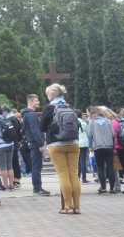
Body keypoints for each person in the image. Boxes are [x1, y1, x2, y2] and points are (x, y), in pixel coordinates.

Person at [39, 83, 80, 214]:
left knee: (63, 175)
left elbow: (42, 127)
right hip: (73, 143)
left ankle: (68, 206)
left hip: (56, 144)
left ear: (51, 95)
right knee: (73, 174)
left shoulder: (49, 108)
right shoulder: (69, 106)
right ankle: (77, 206)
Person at [21, 94, 50, 196]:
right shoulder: (31, 115)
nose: (38, 102)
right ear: (30, 102)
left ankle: (37, 187)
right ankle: (37, 188)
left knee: (36, 165)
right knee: (37, 166)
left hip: (32, 143)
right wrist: (41, 144)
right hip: (35, 144)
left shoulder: (26, 114)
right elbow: (35, 131)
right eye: (36, 100)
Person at [0, 105, 17, 193]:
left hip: (0, 145)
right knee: (10, 166)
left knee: (3, 167)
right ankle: (11, 185)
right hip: (11, 144)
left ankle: (5, 186)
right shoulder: (6, 118)